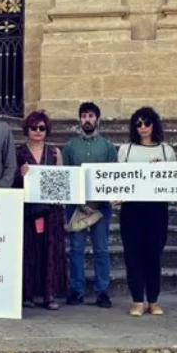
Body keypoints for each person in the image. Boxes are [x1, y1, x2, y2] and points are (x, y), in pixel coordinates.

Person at [118, 107, 177, 317]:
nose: (143, 127)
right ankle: (136, 300)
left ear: (154, 124)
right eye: (138, 124)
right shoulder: (125, 150)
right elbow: (118, 177)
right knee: (132, 253)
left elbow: (174, 180)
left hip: (156, 208)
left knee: (153, 253)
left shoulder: (166, 150)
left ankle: (153, 300)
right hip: (131, 207)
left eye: (147, 123)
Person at [63, 102, 117, 308]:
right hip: (76, 206)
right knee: (76, 249)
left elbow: (112, 176)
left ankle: (102, 291)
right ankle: (76, 290)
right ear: (79, 120)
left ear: (97, 119)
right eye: (84, 116)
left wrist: (98, 201)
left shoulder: (108, 146)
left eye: (91, 116)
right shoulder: (70, 147)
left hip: (101, 207)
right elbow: (67, 175)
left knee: (101, 249)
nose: (87, 119)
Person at [14, 110, 66, 310]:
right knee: (28, 250)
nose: (37, 131)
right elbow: (12, 181)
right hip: (27, 209)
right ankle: (27, 294)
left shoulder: (54, 152)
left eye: (41, 128)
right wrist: (21, 173)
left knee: (49, 251)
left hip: (50, 210)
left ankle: (48, 294)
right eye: (33, 127)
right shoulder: (19, 152)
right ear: (27, 130)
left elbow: (61, 180)